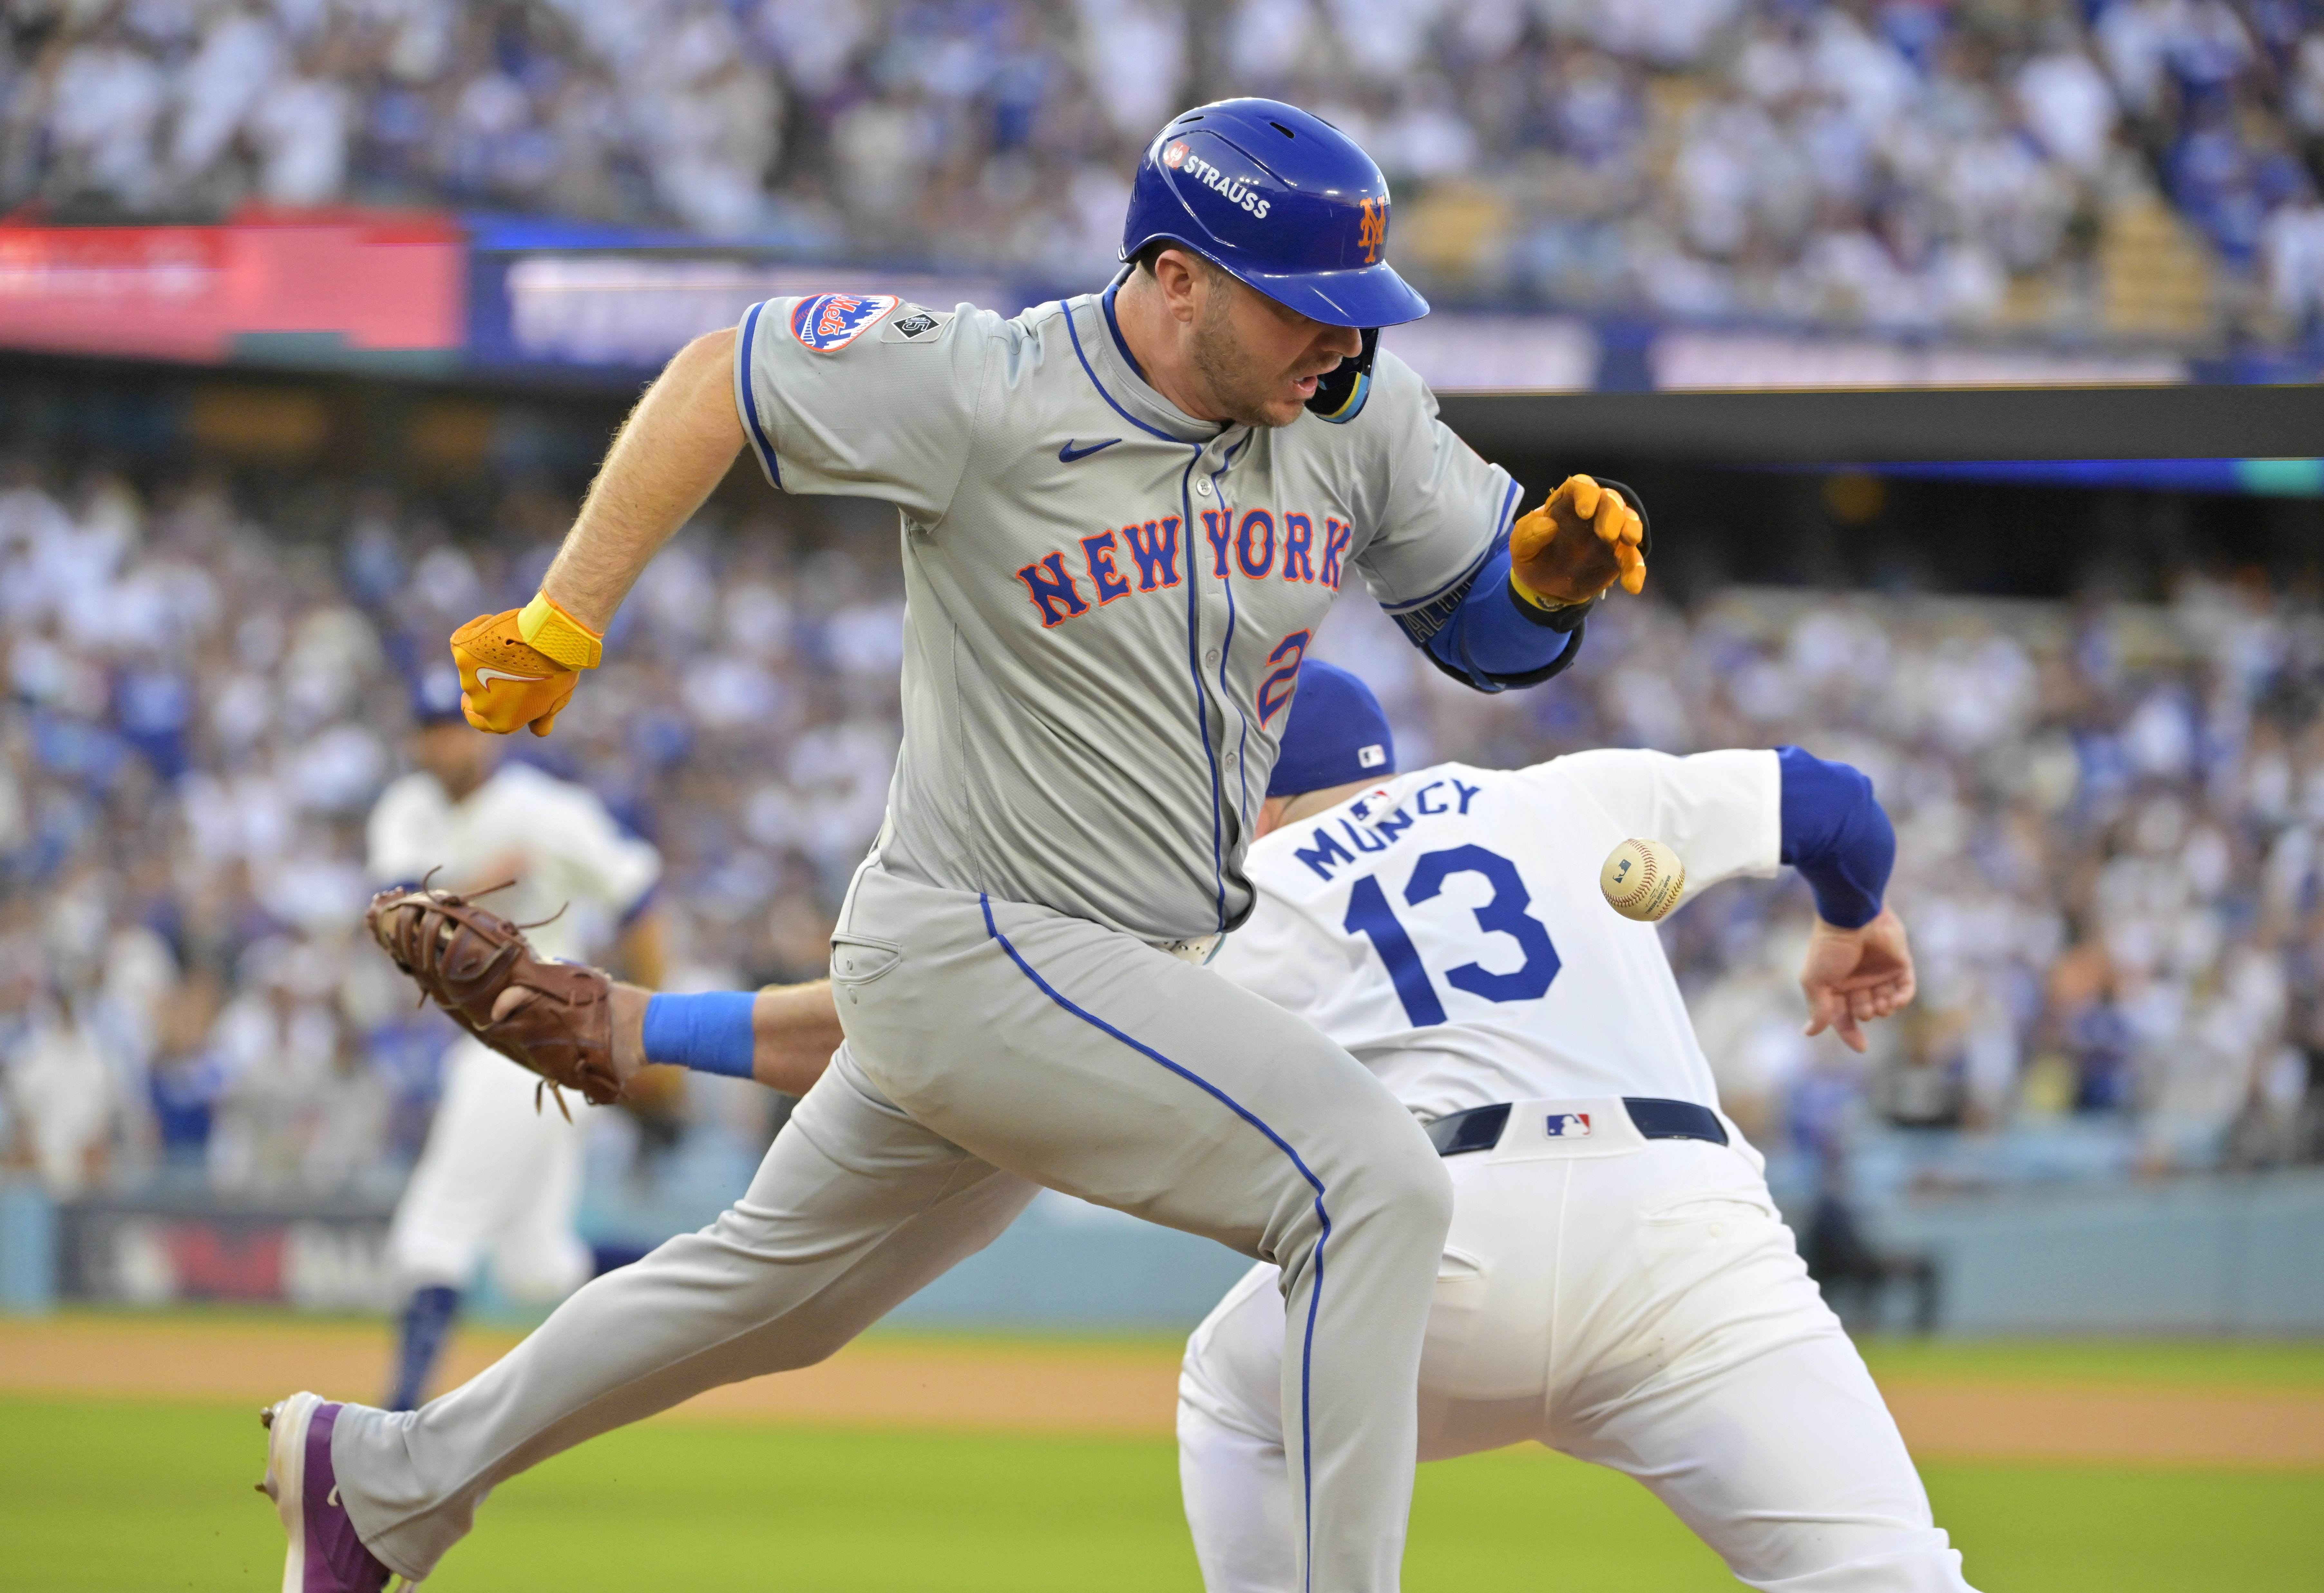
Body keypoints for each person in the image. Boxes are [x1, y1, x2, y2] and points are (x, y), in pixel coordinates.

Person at [260, 98, 1645, 1593]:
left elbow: (1489, 631)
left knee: (766, 1297)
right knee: (1373, 1184)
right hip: (978, 941)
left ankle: (385, 1481)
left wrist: (1546, 585)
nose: (1342, 341)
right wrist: (567, 612)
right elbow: (723, 374)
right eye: (1304, 306)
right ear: (1177, 277)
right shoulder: (988, 386)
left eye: (1356, 310)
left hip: (1105, 976)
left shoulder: (1355, 417)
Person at [1175, 663, 1973, 1591]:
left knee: (1230, 1399)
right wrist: (1853, 915)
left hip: (1444, 1252)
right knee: (1892, 1573)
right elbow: (1837, 804)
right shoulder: (1563, 793)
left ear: (1252, 797)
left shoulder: (1243, 896)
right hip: (1688, 1239)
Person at [366, 684, 663, 1412]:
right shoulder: (407, 809)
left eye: (458, 730)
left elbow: (640, 900)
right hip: (486, 1042)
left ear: (487, 734)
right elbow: (394, 917)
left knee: (434, 1227)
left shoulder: (548, 810)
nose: (445, 745)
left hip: (541, 1032)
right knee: (538, 1266)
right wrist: (480, 883)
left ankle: (398, 1425)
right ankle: (688, 1271)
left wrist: (652, 1032)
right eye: (432, 730)